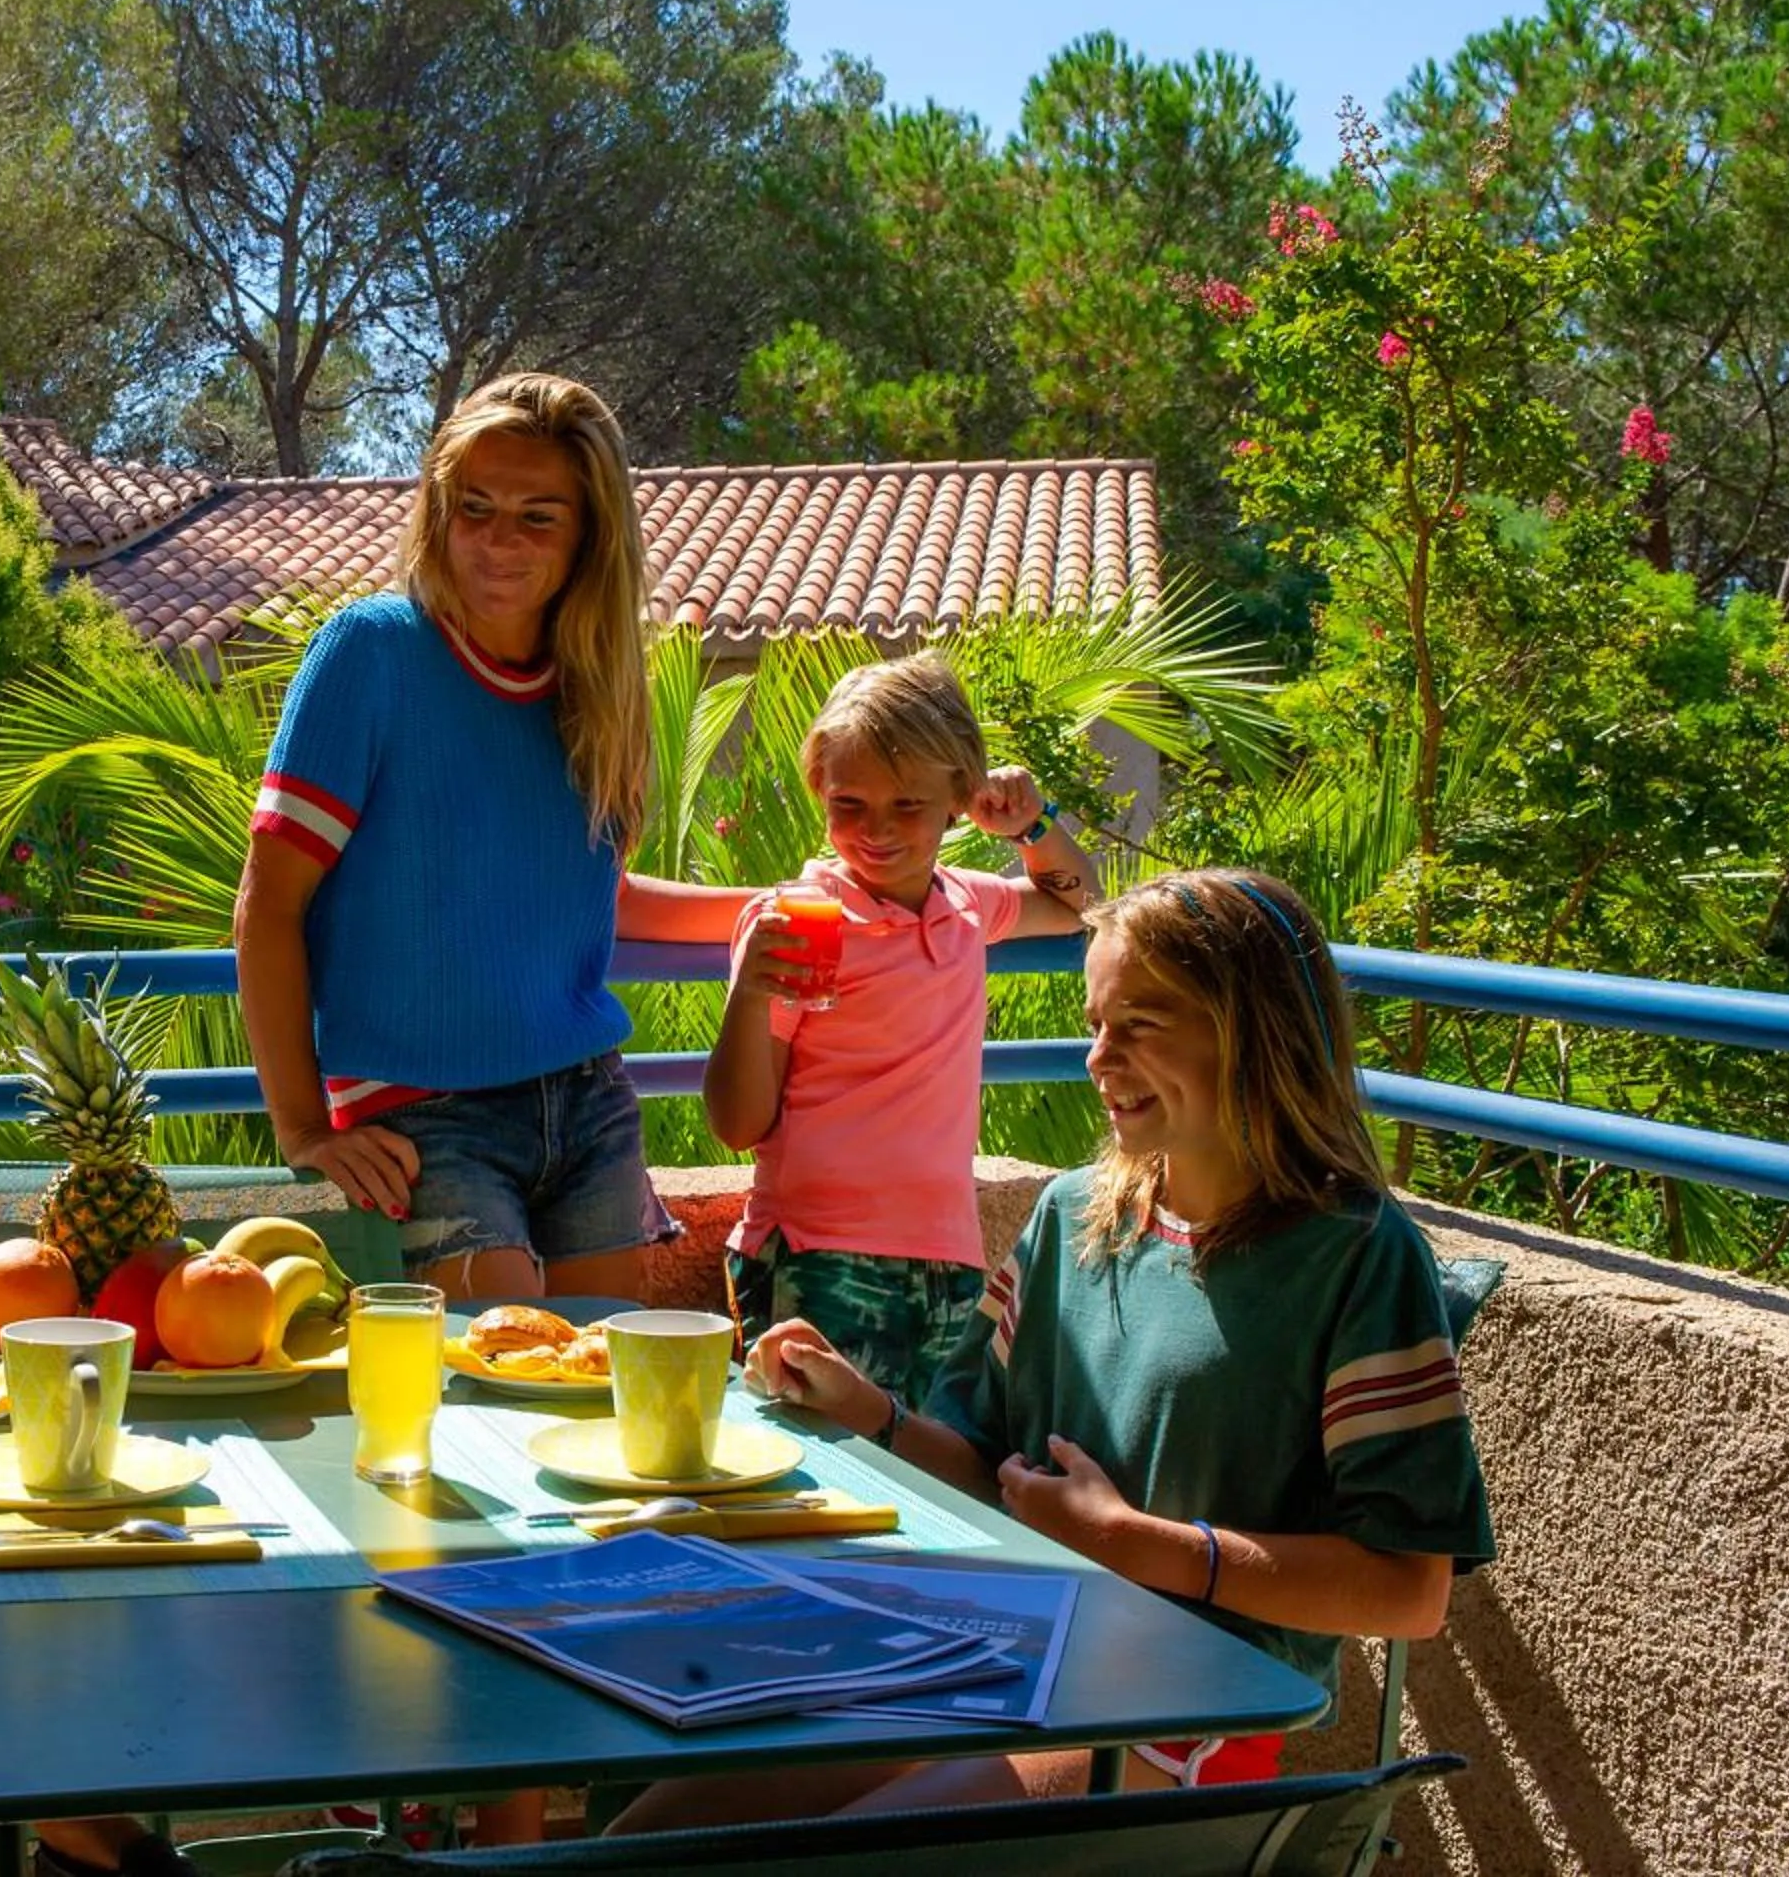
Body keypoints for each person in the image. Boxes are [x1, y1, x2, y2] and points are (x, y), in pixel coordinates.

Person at [618, 869, 1494, 1830]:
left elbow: (1409, 1591)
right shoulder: (1071, 1217)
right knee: (661, 1832)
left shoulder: (1356, 1255)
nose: (1097, 1060)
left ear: (1254, 1031)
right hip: (1000, 1651)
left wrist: (1135, 1545)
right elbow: (997, 1474)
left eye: (1141, 1027)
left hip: (1183, 1709)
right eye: (1096, 1024)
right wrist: (869, 1412)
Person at [235, 370, 754, 1315]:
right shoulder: (370, 653)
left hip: (587, 1102)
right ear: (438, 509)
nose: (497, 540)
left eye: (537, 517)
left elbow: (588, 898)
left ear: (589, 535)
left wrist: (765, 908)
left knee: (599, 1394)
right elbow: (269, 907)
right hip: (419, 1115)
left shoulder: (595, 684)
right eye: (474, 507)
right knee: (494, 1382)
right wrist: (305, 1129)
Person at [701, 651, 1099, 1402]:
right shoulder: (798, 923)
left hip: (946, 1259)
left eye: (907, 806)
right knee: (828, 1482)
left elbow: (1078, 900)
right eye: (849, 804)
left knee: (935, 1479)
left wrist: (1033, 824)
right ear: (819, 789)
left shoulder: (967, 905)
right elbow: (738, 1123)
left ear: (959, 797)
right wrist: (749, 995)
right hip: (819, 1253)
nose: (876, 830)